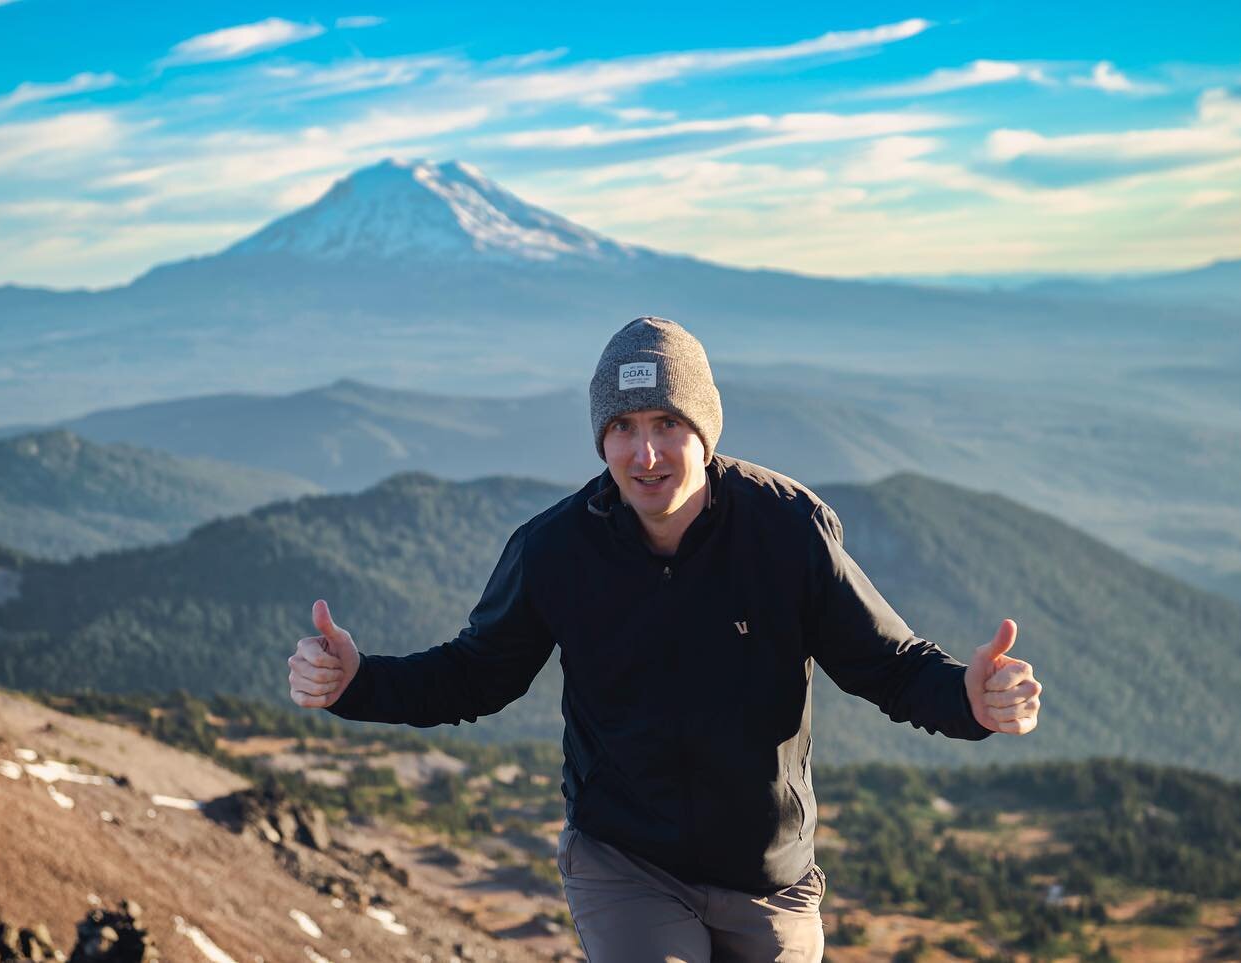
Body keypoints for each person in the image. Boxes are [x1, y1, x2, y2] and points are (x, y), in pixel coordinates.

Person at [287, 317, 1043, 962]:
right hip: (627, 860)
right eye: (623, 427)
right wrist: (359, 681)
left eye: (666, 424)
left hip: (769, 872)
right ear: (601, 439)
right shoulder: (556, 551)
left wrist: (968, 698)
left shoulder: (786, 532)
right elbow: (474, 675)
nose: (645, 454)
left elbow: (889, 665)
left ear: (704, 432)